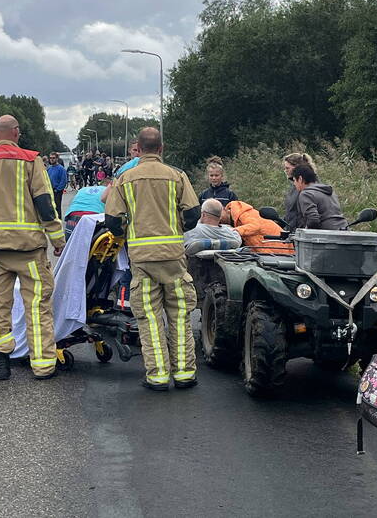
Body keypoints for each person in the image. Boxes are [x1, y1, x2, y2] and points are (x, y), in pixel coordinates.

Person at [0, 115, 66, 381]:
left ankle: (1, 363)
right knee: (37, 306)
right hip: (28, 248)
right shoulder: (31, 160)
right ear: (17, 133)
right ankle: (43, 366)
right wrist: (57, 240)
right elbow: (44, 203)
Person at [104, 127, 201, 392]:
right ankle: (184, 374)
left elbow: (112, 221)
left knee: (149, 318)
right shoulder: (177, 176)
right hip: (173, 258)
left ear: (140, 148)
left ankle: (157, 376)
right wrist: (175, 229)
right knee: (180, 316)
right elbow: (193, 214)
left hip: (142, 260)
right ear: (161, 148)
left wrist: (129, 232)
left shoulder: (125, 178)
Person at [291, 164, 348, 231]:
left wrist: (303, 233)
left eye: (294, 180)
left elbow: (313, 220)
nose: (294, 184)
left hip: (327, 235)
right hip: (344, 230)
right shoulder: (329, 191)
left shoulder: (306, 194)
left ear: (300, 179)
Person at [222, 199, 290, 251]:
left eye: (219, 215)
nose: (219, 219)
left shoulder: (242, 213)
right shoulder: (236, 219)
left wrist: (233, 231)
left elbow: (255, 226)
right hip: (269, 251)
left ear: (226, 210)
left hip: (280, 249)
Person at [282, 151, 315, 230]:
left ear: (297, 167)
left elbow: (311, 217)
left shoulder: (306, 186)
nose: (285, 171)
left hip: (300, 233)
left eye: (287, 168)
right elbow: (290, 212)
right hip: (291, 230)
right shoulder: (293, 186)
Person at [46, 152, 68, 220]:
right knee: (50, 206)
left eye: (53, 158)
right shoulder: (49, 168)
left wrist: (58, 189)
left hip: (57, 191)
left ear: (57, 159)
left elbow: (63, 180)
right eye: (50, 158)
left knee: (57, 206)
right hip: (50, 190)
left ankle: (58, 220)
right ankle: (53, 220)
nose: (52, 159)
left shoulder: (61, 169)